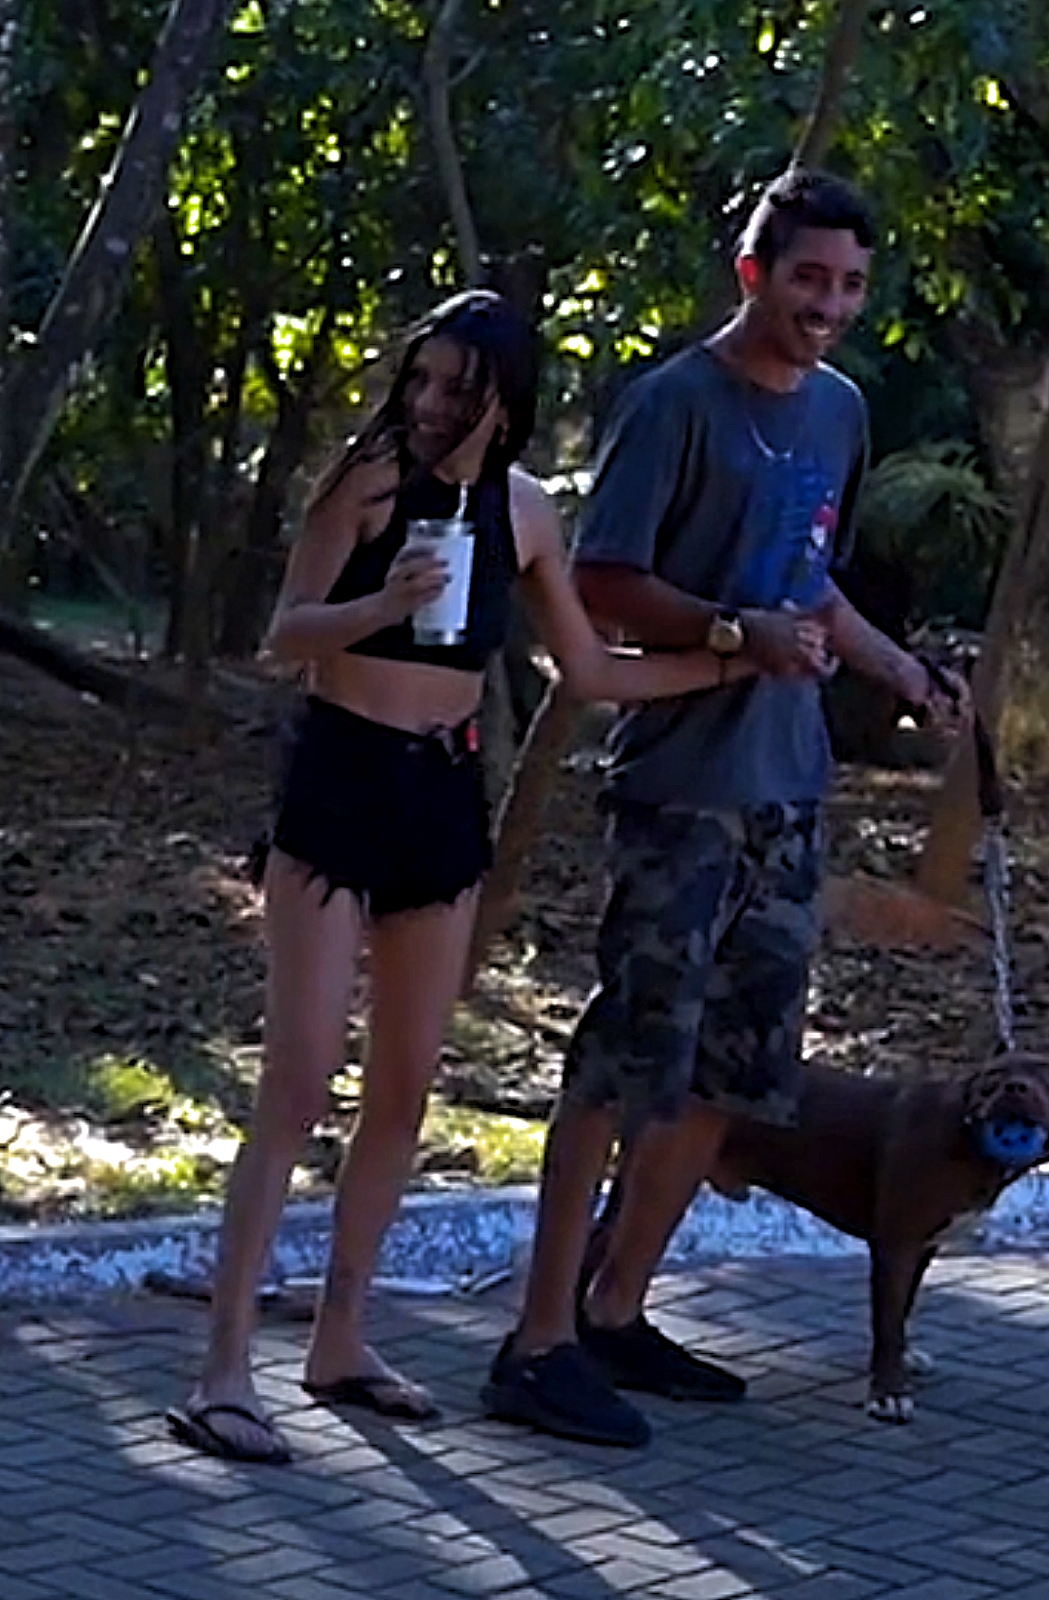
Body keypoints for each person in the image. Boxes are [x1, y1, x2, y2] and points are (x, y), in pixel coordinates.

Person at [168, 289, 758, 1464]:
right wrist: (378, 603)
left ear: (506, 404)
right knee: (297, 1081)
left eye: (460, 387)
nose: (435, 403)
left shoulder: (525, 514)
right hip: (340, 782)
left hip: (443, 795)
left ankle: (340, 1338)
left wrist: (735, 653)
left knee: (403, 1087)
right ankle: (224, 1367)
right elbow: (284, 631)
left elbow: (587, 670)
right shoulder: (367, 483)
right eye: (424, 379)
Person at [480, 166, 964, 1449]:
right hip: (682, 791)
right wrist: (727, 629)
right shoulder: (674, 405)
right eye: (809, 278)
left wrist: (906, 674)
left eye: (852, 285)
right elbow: (603, 580)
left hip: (789, 793)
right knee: (620, 1065)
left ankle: (613, 1309)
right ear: (755, 273)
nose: (831, 305)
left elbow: (818, 585)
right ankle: (532, 1344)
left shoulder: (843, 413)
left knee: (729, 1076)